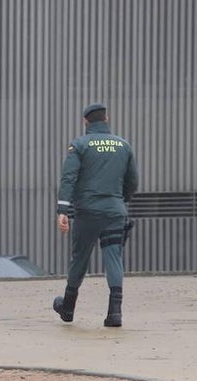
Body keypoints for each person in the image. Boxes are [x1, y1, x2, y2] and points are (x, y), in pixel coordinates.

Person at [53, 102, 139, 327]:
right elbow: (132, 181)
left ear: (85, 121)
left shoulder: (79, 145)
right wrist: (120, 202)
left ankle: (68, 308)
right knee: (113, 257)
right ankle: (114, 313)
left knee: (80, 257)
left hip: (88, 213)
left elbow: (68, 179)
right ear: (107, 119)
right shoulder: (123, 145)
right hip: (114, 212)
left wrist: (63, 210)